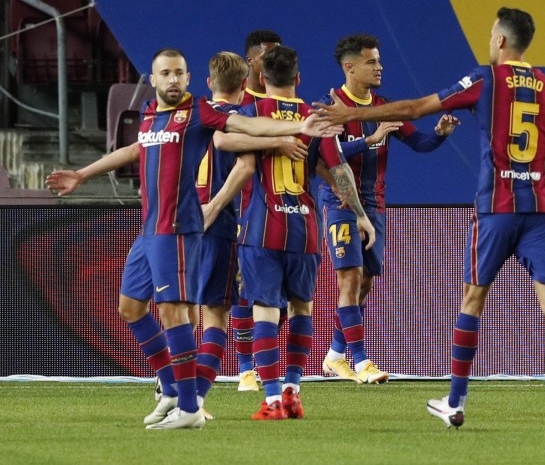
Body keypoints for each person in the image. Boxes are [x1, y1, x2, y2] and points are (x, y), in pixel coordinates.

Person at [316, 7, 545, 427]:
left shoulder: (485, 79)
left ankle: (455, 401)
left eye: (492, 32)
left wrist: (352, 116)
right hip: (542, 208)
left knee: (472, 301)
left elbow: (417, 107)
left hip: (497, 208)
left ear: (501, 42)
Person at [45, 48, 339, 430]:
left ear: (190, 78)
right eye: (164, 73)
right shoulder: (151, 113)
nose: (172, 79)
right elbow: (136, 149)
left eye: (178, 73)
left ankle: (189, 406)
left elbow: (247, 127)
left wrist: (295, 127)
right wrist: (82, 174)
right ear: (152, 79)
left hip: (180, 228)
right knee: (130, 309)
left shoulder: (200, 112)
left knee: (177, 313)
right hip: (149, 228)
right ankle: (171, 388)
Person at [210, 45, 375, 420]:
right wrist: (360, 215)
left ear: (261, 80)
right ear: (298, 79)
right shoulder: (312, 117)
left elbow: (224, 142)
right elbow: (340, 173)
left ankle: (270, 400)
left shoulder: (250, 113)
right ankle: (293, 392)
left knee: (265, 313)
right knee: (302, 310)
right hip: (305, 229)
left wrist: (270, 142)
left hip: (262, 228)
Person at [318, 34, 460, 384]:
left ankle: (335, 355)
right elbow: (328, 155)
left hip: (375, 205)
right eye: (372, 62)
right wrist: (369, 139)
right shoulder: (329, 106)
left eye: (379, 61)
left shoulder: (385, 106)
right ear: (350, 67)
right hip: (340, 203)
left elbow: (421, 143)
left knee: (364, 283)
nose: (380, 67)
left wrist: (440, 133)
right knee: (348, 280)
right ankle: (364, 362)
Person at [232, 29, 292, 393]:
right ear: (251, 62)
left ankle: (261, 364)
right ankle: (245, 370)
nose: (272, 60)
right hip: (246, 210)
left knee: (279, 303)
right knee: (244, 293)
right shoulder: (241, 105)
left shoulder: (289, 103)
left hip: (287, 215)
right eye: (266, 54)